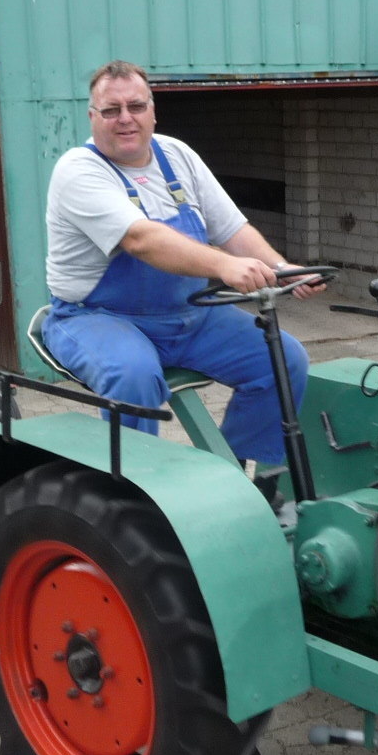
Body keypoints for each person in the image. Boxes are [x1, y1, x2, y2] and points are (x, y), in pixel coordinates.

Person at [42, 59, 324, 470]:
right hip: (96, 317)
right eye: (111, 110)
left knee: (285, 359)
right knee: (133, 376)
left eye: (136, 106)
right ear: (92, 117)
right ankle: (138, 488)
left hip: (188, 315)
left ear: (153, 111)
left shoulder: (177, 155)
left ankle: (232, 473)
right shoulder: (78, 171)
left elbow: (231, 228)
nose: (125, 118)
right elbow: (141, 240)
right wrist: (226, 267)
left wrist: (282, 268)